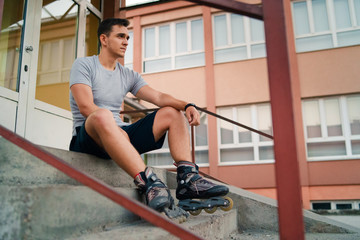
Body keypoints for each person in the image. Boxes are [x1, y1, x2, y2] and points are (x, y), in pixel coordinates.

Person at [69, 18, 229, 220]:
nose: (126, 41)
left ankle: (188, 179)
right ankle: (149, 183)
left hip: (119, 136)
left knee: (171, 111)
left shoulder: (128, 75)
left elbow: (159, 97)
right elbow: (85, 107)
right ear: (104, 39)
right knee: (102, 115)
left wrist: (187, 105)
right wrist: (115, 129)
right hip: (89, 135)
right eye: (120, 36)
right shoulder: (84, 65)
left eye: (128, 37)